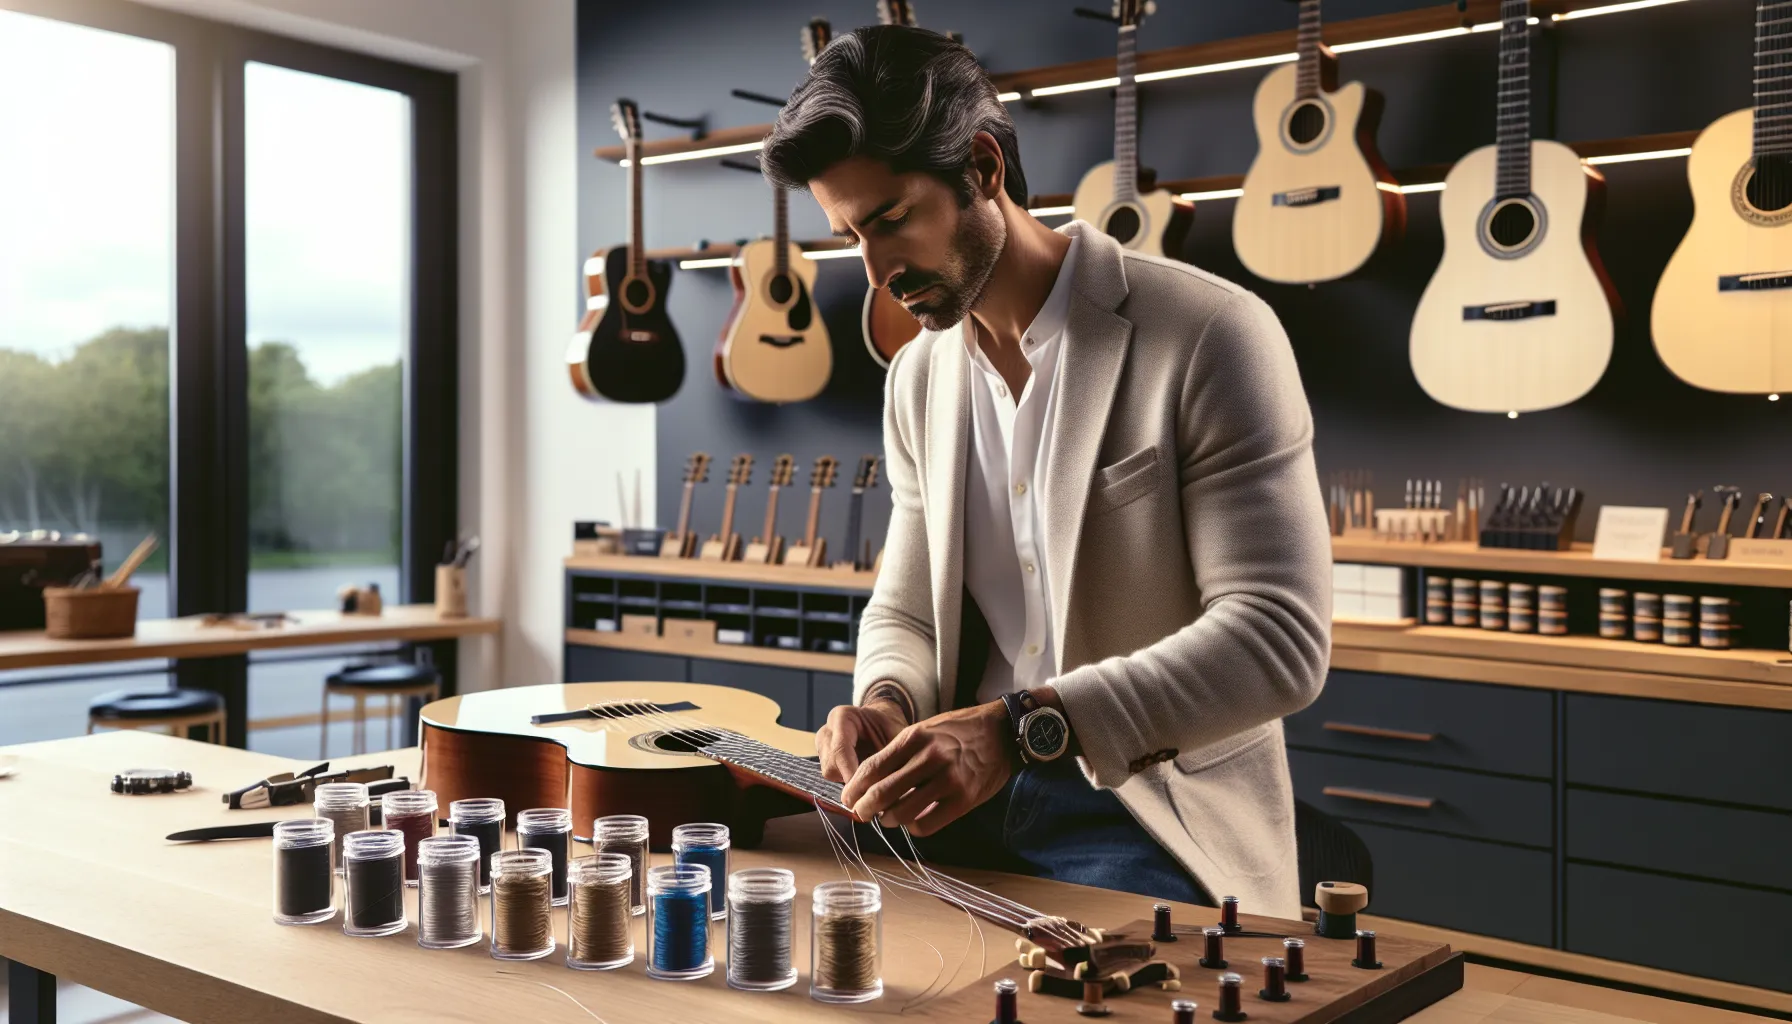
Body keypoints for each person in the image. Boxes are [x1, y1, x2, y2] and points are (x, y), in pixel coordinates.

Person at [760, 25, 1331, 918]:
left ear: (983, 169)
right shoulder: (916, 375)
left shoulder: (1215, 334)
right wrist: (884, 698)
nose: (875, 272)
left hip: (1146, 811)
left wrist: (1019, 730)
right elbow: (907, 607)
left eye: (891, 221)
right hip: (956, 802)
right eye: (848, 237)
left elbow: (1278, 642)